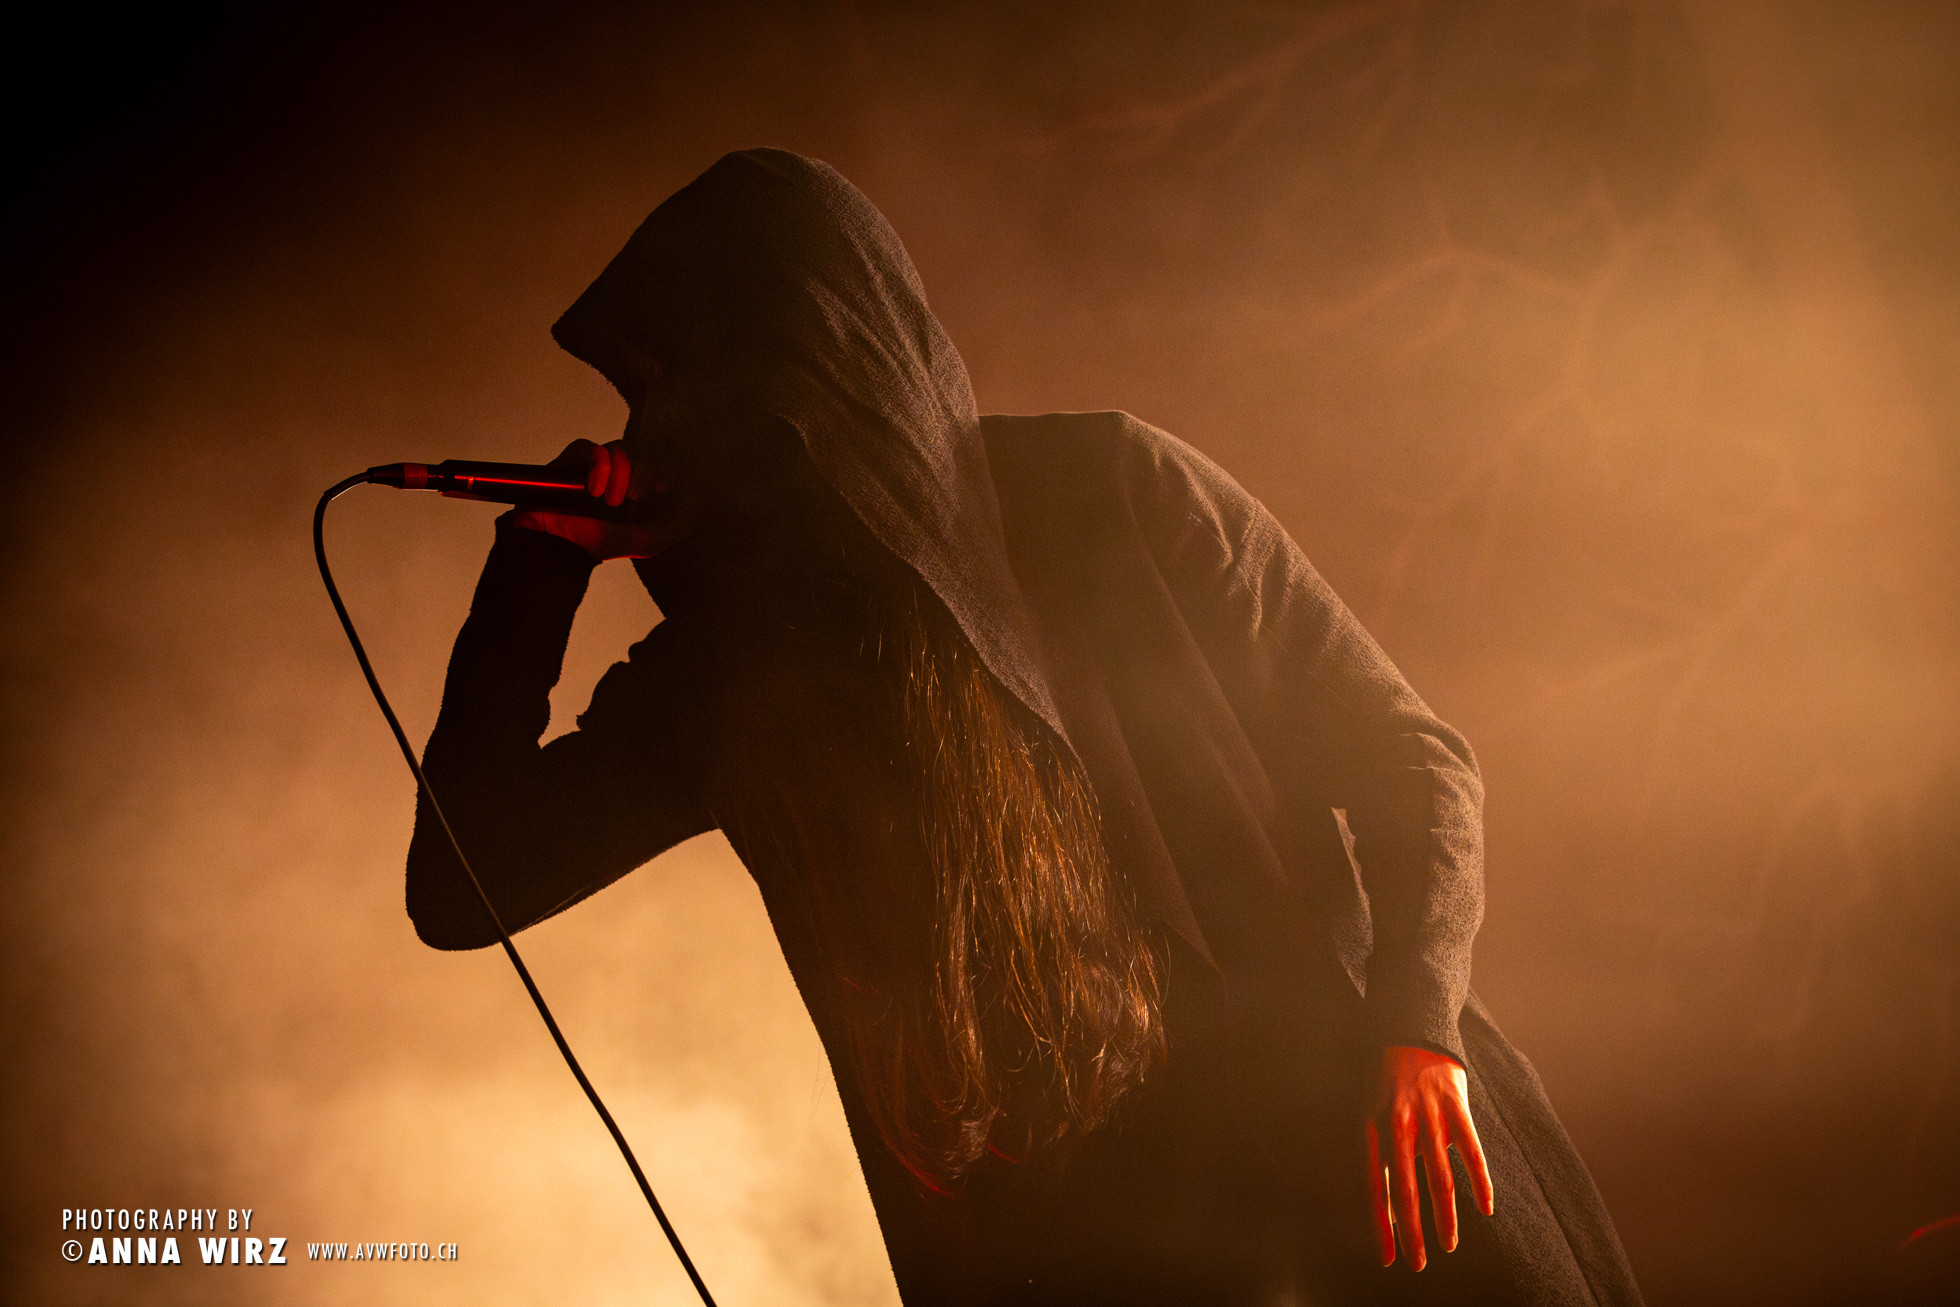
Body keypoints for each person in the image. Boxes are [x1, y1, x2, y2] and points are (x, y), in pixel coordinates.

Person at [405, 149, 1644, 1306]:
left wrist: (1416, 1025)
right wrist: (535, 571)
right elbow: (464, 887)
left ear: (814, 365)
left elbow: (1411, 760)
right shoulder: (733, 674)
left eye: (677, 379)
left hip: (1365, 1166)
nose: (651, 430)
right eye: (641, 395)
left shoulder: (1110, 491)